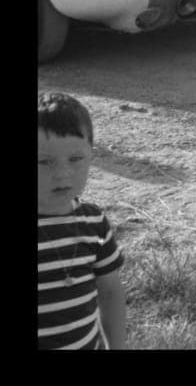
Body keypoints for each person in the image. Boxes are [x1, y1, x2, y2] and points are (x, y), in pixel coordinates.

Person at [38, 92, 126, 350]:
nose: (63, 173)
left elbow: (110, 292)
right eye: (44, 161)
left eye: (75, 159)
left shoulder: (94, 222)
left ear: (91, 156)